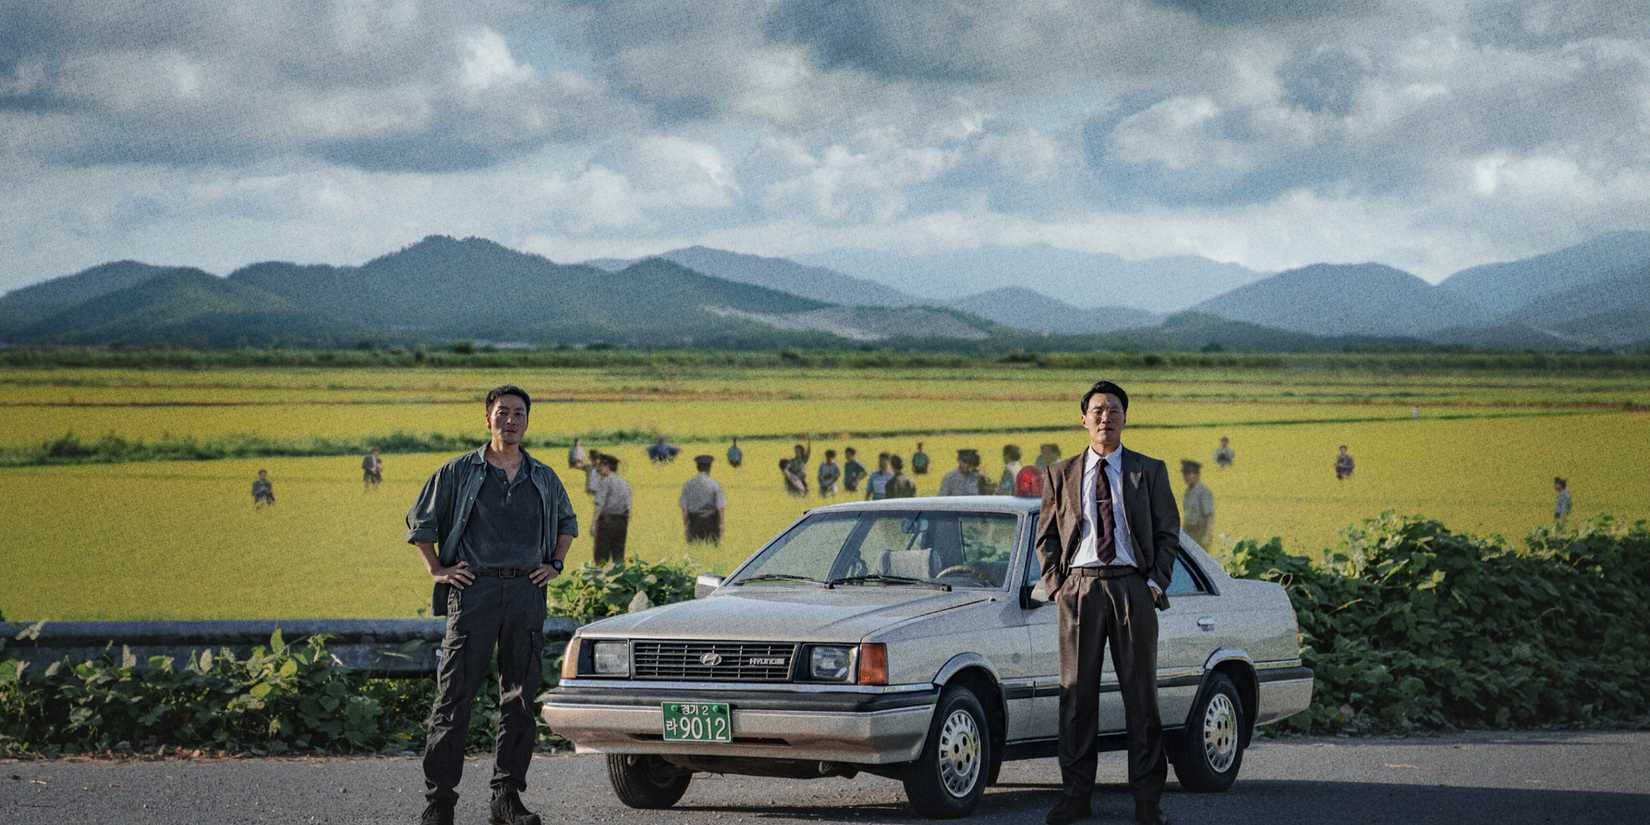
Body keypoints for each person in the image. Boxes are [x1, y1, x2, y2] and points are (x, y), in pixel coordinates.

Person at [404, 385, 577, 825]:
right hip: (474, 591)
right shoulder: (459, 472)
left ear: (527, 420)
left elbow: (567, 523)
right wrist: (437, 569)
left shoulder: (543, 476)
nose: (511, 420)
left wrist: (555, 563)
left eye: (519, 413)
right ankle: (439, 803)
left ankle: (506, 799)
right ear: (488, 419)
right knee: (454, 695)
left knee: (519, 698)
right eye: (502, 412)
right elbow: (420, 523)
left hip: (525, 593)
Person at [1036, 380, 1177, 825]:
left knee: (1141, 697)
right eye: (1097, 410)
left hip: (1133, 588)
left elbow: (1166, 532)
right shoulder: (1061, 473)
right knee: (1077, 698)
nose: (1105, 417)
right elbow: (1045, 537)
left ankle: (1147, 802)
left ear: (1124, 417)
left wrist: (1154, 584)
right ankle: (1076, 797)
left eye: (1113, 410)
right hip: (1080, 590)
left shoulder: (1148, 470)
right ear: (1083, 419)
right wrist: (1058, 584)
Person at [591, 454, 632, 565]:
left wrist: (594, 524)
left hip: (606, 521)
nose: (598, 468)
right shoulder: (625, 483)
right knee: (618, 555)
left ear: (607, 466)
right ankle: (620, 579)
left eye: (600, 465)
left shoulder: (604, 481)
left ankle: (598, 580)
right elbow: (628, 507)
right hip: (622, 521)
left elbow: (599, 504)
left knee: (601, 556)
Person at [679, 455, 727, 545]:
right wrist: (721, 526)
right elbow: (720, 507)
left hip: (694, 524)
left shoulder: (688, 485)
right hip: (711, 524)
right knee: (712, 553)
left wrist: (686, 526)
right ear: (710, 468)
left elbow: (684, 508)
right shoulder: (714, 485)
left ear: (697, 467)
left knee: (694, 553)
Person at [1181, 459, 1214, 549]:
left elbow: (1209, 516)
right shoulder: (1187, 492)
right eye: (1185, 474)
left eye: (1189, 474)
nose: (1186, 477)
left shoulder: (1203, 492)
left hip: (1200, 534)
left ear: (1197, 475)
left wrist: (1207, 535)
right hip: (1189, 534)